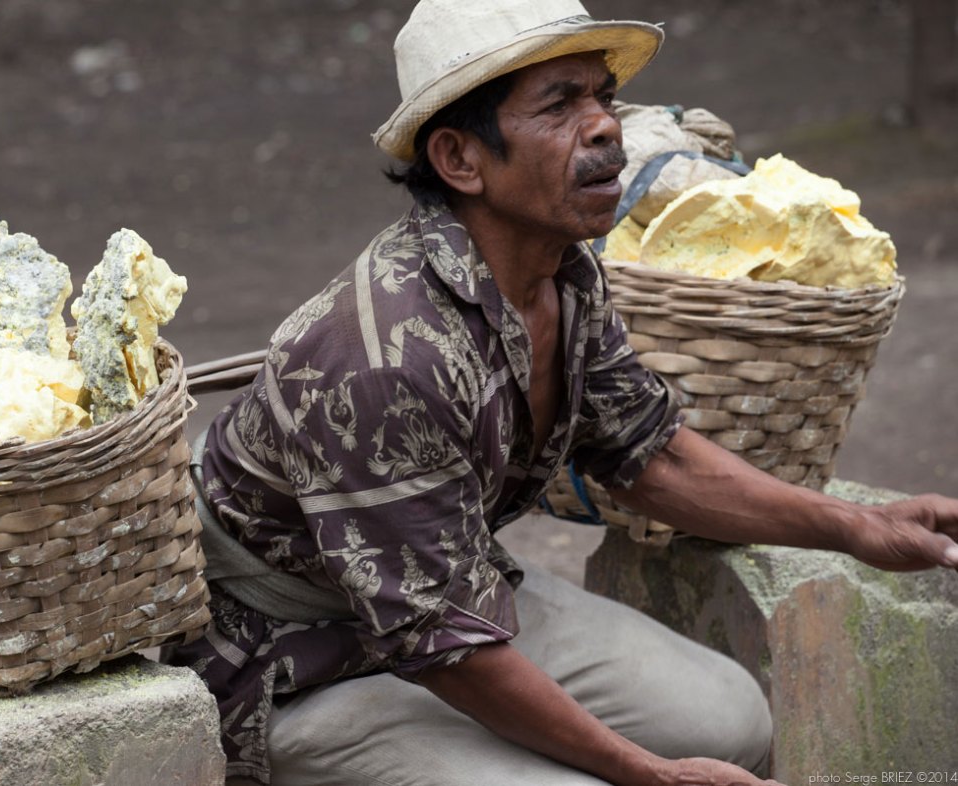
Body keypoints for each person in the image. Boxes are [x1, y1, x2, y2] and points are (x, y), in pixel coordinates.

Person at [164, 1, 958, 784]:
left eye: (602, 96)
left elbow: (650, 456)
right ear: (460, 158)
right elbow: (444, 646)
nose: (606, 125)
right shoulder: (387, 355)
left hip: (445, 604)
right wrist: (650, 774)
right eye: (560, 104)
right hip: (300, 662)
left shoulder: (565, 273)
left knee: (732, 720)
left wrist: (860, 527)